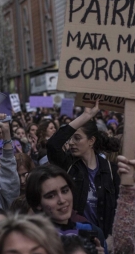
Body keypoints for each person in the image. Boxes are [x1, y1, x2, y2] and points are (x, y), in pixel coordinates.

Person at [46, 101, 120, 238]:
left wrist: (112, 237)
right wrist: (85, 116)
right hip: (76, 238)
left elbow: (119, 209)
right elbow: (52, 145)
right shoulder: (68, 165)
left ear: (91, 141)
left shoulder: (110, 170)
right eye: (70, 139)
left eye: (77, 138)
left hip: (106, 240)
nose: (71, 143)